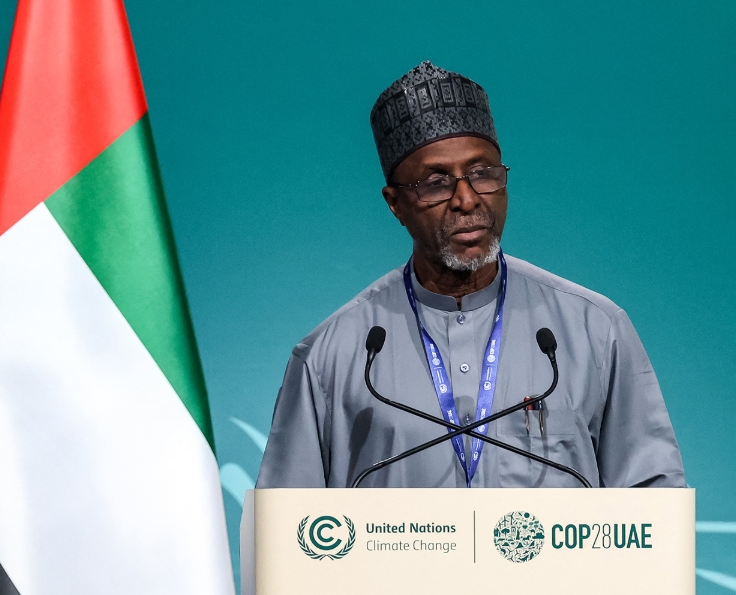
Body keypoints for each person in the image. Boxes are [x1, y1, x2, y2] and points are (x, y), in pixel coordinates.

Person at [256, 61, 685, 489]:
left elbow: (653, 509)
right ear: (395, 204)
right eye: (436, 182)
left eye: (483, 174)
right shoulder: (333, 354)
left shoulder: (594, 328)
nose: (467, 199)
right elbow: (288, 533)